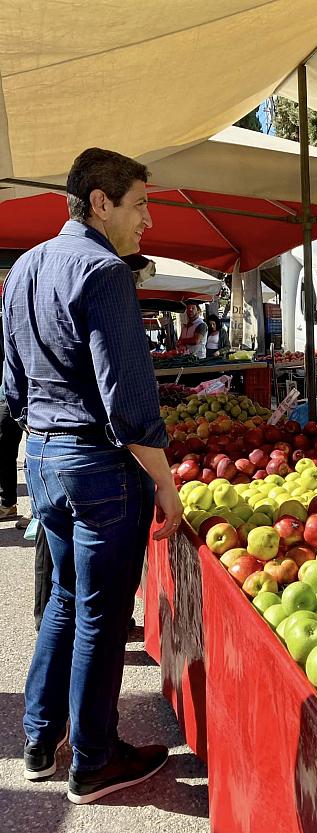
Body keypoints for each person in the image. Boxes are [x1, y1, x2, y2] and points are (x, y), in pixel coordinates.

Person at [2, 147, 183, 804]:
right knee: (100, 616)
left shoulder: (24, 268)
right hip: (98, 465)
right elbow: (130, 400)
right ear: (100, 202)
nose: (150, 221)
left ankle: (38, 740)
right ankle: (94, 760)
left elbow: (10, 387)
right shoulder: (104, 270)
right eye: (141, 204)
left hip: (43, 458)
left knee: (64, 601)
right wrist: (164, 479)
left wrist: (32, 448)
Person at [0, 313, 24, 522]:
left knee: (5, 452)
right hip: (10, 397)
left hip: (8, 398)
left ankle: (7, 503)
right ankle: (7, 503)